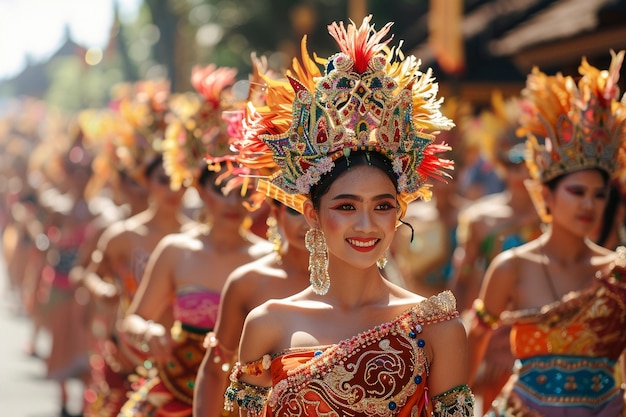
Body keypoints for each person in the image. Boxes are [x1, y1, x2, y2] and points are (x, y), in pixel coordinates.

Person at [224, 16, 474, 417]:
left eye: (382, 206)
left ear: (399, 212)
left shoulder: (436, 327)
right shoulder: (267, 324)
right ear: (312, 214)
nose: (366, 224)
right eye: (345, 206)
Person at [467, 50, 626, 416]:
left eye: (599, 195)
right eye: (577, 192)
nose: (589, 205)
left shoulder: (617, 274)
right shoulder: (512, 267)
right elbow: (474, 342)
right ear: (547, 196)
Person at [117, 64, 274, 417]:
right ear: (200, 189)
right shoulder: (176, 251)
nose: (233, 203)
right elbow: (134, 318)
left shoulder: (269, 260)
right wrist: (149, 332)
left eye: (243, 190)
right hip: (172, 396)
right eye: (222, 189)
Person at [79, 80, 192, 417]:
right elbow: (90, 274)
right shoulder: (122, 235)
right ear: (145, 181)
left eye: (179, 180)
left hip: (180, 363)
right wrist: (103, 289)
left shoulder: (198, 239)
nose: (173, 190)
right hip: (126, 354)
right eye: (163, 180)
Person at [450, 93, 544, 410]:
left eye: (528, 160)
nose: (520, 171)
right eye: (511, 161)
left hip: (539, 331)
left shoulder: (556, 219)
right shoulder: (479, 219)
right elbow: (462, 281)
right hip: (491, 331)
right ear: (498, 162)